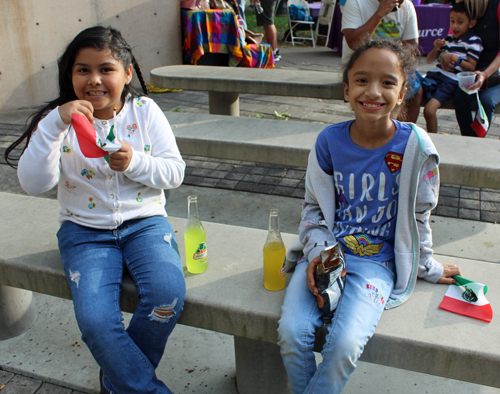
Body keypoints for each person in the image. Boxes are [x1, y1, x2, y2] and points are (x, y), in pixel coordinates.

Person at [5, 26, 186, 394]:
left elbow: (175, 173)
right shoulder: (58, 123)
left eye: (106, 69)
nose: (95, 80)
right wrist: (56, 123)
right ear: (69, 75)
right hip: (84, 234)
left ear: (128, 72)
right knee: (95, 321)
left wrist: (135, 161)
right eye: (82, 70)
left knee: (167, 293)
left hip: (145, 224)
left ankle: (118, 383)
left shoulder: (145, 112)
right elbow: (34, 183)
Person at [277, 37, 461, 394]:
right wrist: (319, 253)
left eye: (388, 82)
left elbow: (420, 215)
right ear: (346, 89)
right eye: (361, 80)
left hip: (378, 264)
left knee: (344, 345)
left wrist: (427, 266)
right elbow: (313, 209)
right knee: (290, 333)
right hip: (327, 254)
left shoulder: (417, 147)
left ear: (404, 90)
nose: (373, 91)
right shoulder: (328, 142)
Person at [341, 0, 423, 122]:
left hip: (392, 64)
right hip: (361, 65)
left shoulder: (407, 6)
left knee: (416, 87)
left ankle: (403, 132)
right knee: (371, 89)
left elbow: (412, 45)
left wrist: (393, 57)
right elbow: (353, 43)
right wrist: (380, 13)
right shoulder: (356, 2)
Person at [423, 2, 482, 133]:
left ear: (471, 23)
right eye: (452, 21)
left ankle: (432, 142)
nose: (455, 26)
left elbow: (471, 67)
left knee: (429, 110)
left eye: (460, 22)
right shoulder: (448, 38)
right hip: (434, 76)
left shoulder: (473, 40)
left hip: (450, 80)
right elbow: (429, 60)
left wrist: (457, 59)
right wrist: (435, 48)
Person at [450, 0, 500, 137]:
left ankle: (476, 141)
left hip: (495, 75)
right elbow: (451, 39)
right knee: (460, 96)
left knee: (486, 101)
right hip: (473, 74)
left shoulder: (496, 7)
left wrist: (485, 74)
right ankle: (467, 140)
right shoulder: (463, 8)